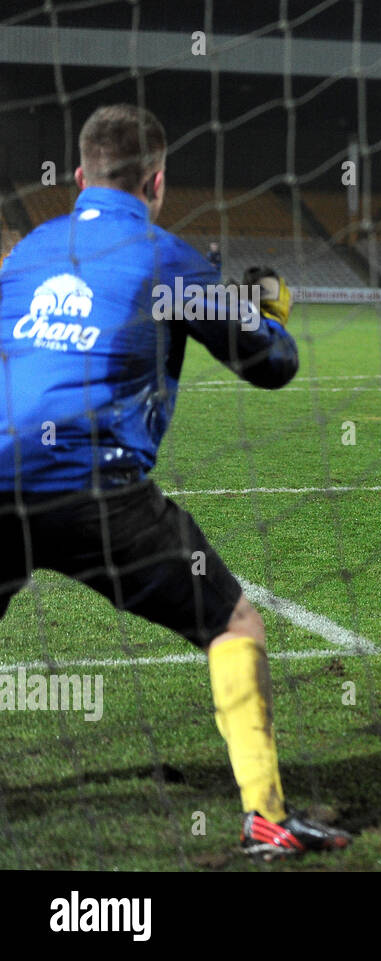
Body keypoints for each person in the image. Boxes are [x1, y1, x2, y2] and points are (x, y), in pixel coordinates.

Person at [0, 103, 350, 860]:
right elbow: (273, 365)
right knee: (233, 623)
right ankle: (266, 817)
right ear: (157, 180)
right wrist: (266, 311)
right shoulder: (168, 260)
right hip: (96, 490)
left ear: (79, 173)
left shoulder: (25, 251)